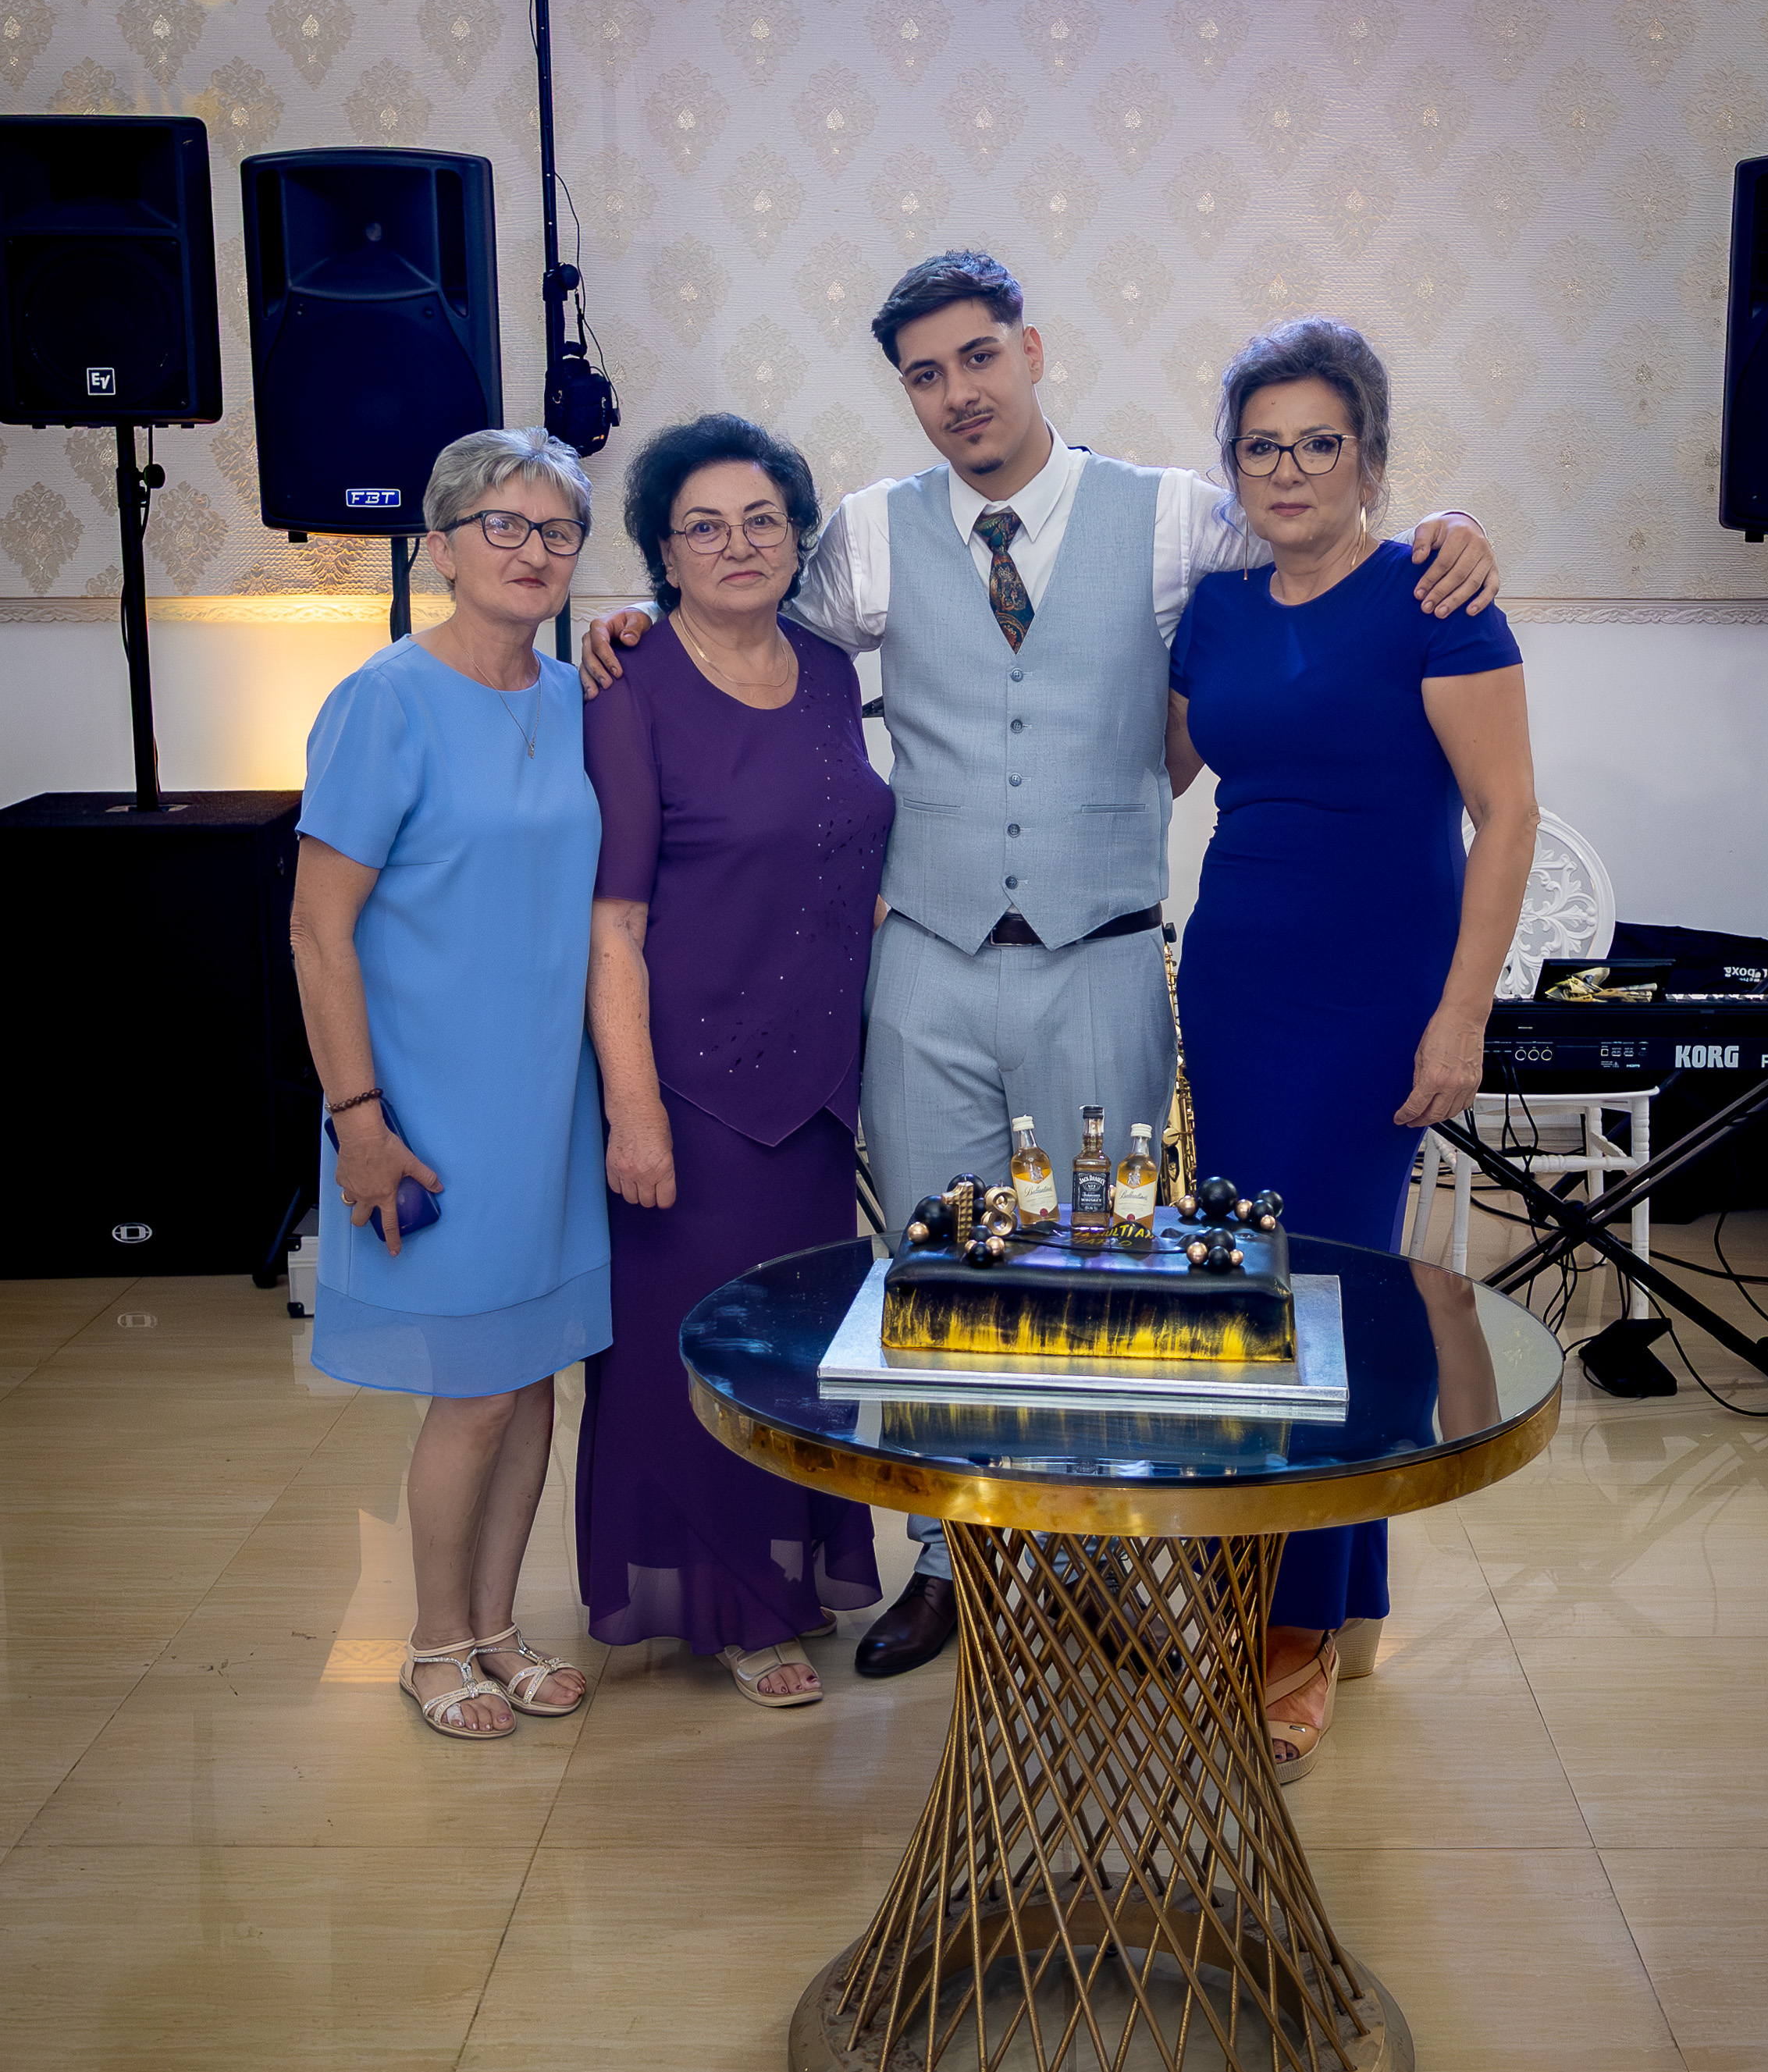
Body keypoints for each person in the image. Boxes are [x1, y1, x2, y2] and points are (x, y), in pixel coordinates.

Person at [584, 251, 1500, 1680]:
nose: (956, 393)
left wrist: (1452, 526)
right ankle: (950, 1561)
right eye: (924, 374)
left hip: (1103, 960)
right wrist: (631, 622)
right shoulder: (870, 536)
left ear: (1029, 350)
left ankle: (1095, 1558)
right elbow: (736, 617)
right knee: (936, 1280)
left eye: (977, 357)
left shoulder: (1174, 517)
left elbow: (1322, 529)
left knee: (1106, 1285)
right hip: (927, 966)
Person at [1166, 317, 1539, 1780]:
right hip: (1236, 982)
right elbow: (1146, 766)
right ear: (1232, 466)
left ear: (1370, 458)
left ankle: (1293, 1628)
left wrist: (1463, 1012)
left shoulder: (1436, 597)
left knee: (1323, 1294)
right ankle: (1328, 1589)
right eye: (1261, 446)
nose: (1289, 469)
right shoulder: (1212, 611)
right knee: (1256, 1290)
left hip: (1374, 997)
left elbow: (1504, 815)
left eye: (1320, 442)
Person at [290, 427, 608, 1742]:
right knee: (473, 1389)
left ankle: (497, 1627)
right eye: (502, 526)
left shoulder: (575, 697)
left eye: (556, 531)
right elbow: (317, 931)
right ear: (441, 547)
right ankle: (431, 1644)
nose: (531, 552)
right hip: (428, 1104)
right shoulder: (385, 701)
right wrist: (359, 1124)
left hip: (550, 1103)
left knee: (531, 1381)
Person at [578, 414, 891, 1710]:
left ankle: (783, 1573)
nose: (737, 545)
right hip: (694, 1088)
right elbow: (613, 923)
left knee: (796, 1349)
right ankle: (731, 1611)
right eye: (702, 527)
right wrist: (634, 1112)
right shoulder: (631, 688)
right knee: (691, 1353)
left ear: (796, 537)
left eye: (762, 520)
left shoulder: (826, 669)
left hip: (815, 1089)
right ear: (662, 554)